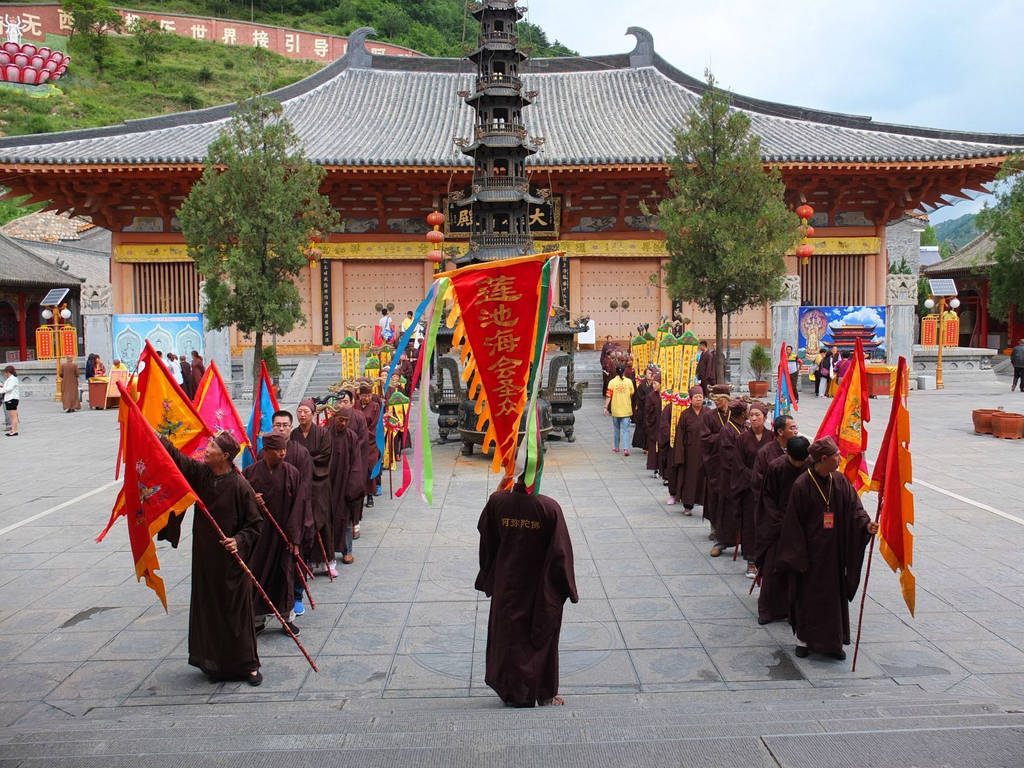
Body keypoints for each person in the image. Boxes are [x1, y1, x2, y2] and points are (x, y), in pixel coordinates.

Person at [159, 431, 264, 685]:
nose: (206, 449)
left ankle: (248, 665)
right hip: (206, 557)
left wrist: (237, 541)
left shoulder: (240, 486)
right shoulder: (203, 474)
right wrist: (158, 438)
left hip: (232, 562)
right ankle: (217, 665)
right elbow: (179, 460)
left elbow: (254, 524)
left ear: (225, 456)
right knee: (210, 609)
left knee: (235, 613)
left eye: (212, 446)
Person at [475, 478, 578, 707]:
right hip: (538, 584)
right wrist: (567, 587)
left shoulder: (498, 502)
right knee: (538, 633)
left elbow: (487, 537)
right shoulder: (549, 508)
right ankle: (542, 693)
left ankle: (509, 691)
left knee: (507, 634)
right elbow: (560, 552)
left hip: (506, 582)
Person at [775, 437, 879, 661]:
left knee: (833, 599)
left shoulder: (839, 481)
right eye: (836, 456)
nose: (840, 459)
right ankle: (804, 641)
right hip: (809, 556)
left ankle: (833, 642)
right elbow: (792, 524)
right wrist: (797, 557)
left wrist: (866, 525)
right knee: (807, 597)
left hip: (834, 553)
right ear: (824, 459)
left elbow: (855, 509)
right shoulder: (802, 484)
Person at [243, 433, 303, 636]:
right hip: (259, 536)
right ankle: (257, 618)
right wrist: (253, 500)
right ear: (265, 451)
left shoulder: (292, 472)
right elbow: (240, 501)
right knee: (257, 576)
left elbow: (299, 505)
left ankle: (287, 619)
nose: (283, 453)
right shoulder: (250, 473)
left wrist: (294, 537)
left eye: (284, 449)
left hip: (283, 536)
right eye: (278, 450)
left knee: (284, 576)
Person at [752, 435, 810, 625]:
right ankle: (768, 611)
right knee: (772, 570)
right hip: (778, 526)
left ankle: (795, 610)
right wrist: (779, 522)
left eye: (802, 460)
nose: (798, 463)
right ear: (788, 454)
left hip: (801, 527)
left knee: (799, 570)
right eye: (795, 460)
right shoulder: (776, 467)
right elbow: (766, 497)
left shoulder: (809, 466)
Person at [270, 410, 314, 617]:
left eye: (285, 425)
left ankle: (296, 597)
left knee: (296, 556)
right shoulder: (265, 454)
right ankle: (272, 598)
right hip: (271, 516)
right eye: (277, 425)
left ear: (291, 427)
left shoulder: (300, 453)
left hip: (296, 512)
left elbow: (305, 486)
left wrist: (295, 514)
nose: (281, 428)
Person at [291, 399, 335, 578]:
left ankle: (328, 561)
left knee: (322, 520)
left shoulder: (323, 434)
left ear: (313, 414)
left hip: (320, 482)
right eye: (299, 411)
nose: (302, 415)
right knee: (305, 522)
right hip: (300, 483)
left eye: (305, 412)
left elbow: (325, 457)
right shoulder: (294, 435)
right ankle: (308, 561)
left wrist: (305, 460)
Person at [734, 402, 772, 576]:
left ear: (764, 416)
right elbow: (738, 465)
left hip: (770, 488)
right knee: (750, 523)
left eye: (758, 415)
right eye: (752, 414)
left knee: (768, 523)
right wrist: (755, 478)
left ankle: (767, 559)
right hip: (750, 488)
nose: (754, 418)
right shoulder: (742, 438)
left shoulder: (771, 437)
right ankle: (751, 560)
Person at [710, 398, 749, 557]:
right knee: (727, 511)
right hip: (731, 477)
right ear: (742, 414)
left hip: (745, 477)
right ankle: (720, 542)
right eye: (748, 412)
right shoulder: (727, 430)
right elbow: (730, 456)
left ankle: (746, 543)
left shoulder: (744, 427)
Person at [328, 403, 364, 565]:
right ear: (334, 417)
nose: (343, 423)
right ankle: (327, 552)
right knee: (326, 519)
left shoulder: (351, 437)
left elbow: (356, 463)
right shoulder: (324, 435)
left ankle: (347, 551)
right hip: (327, 483)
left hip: (344, 483)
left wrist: (353, 486)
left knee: (345, 517)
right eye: (340, 419)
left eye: (346, 420)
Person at [668, 386, 706, 515]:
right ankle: (688, 505)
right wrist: (679, 455)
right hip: (689, 452)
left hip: (704, 452)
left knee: (703, 479)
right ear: (690, 399)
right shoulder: (685, 415)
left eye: (701, 397)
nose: (699, 399)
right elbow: (679, 436)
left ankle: (704, 504)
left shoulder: (708, 413)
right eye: (696, 397)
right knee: (689, 478)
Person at [700, 387, 731, 541]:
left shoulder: (736, 414)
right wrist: (723, 436)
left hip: (733, 463)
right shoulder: (709, 416)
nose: (717, 401)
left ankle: (730, 529)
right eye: (715, 398)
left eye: (720, 398)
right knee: (714, 496)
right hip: (715, 461)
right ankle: (713, 527)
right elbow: (705, 439)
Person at [355, 383, 382, 508]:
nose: (367, 398)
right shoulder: (355, 405)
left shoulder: (375, 406)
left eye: (369, 395)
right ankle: (360, 494)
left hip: (371, 443)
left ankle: (370, 495)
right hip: (356, 442)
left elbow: (376, 424)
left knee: (370, 467)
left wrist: (365, 434)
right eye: (365, 395)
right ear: (360, 395)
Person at [603, 365, 635, 455]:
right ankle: (626, 448)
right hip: (626, 409)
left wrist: (605, 407)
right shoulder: (628, 382)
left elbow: (608, 396)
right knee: (626, 430)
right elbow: (632, 393)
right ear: (624, 371)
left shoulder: (612, 382)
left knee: (616, 429)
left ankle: (617, 447)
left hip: (616, 409)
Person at [631, 366, 656, 453]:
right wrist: (648, 399)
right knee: (644, 426)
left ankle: (649, 446)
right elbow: (639, 397)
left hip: (653, 409)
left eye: (651, 373)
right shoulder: (642, 385)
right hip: (644, 409)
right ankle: (645, 446)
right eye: (648, 373)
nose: (650, 375)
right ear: (645, 374)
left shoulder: (655, 384)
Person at [644, 377, 663, 476]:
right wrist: (657, 407)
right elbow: (648, 408)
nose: (653, 385)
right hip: (655, 424)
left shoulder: (666, 395)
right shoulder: (651, 395)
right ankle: (655, 467)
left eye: (656, 383)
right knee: (654, 445)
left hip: (664, 424)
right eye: (653, 383)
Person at [2, 366, 19, 437]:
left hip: (12, 398)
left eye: (6, 373)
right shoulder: (10, 379)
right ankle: (13, 430)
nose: (5, 374)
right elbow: (6, 386)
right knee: (12, 416)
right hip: (9, 398)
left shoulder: (12, 379)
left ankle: (14, 431)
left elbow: (8, 388)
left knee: (14, 416)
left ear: (8, 372)